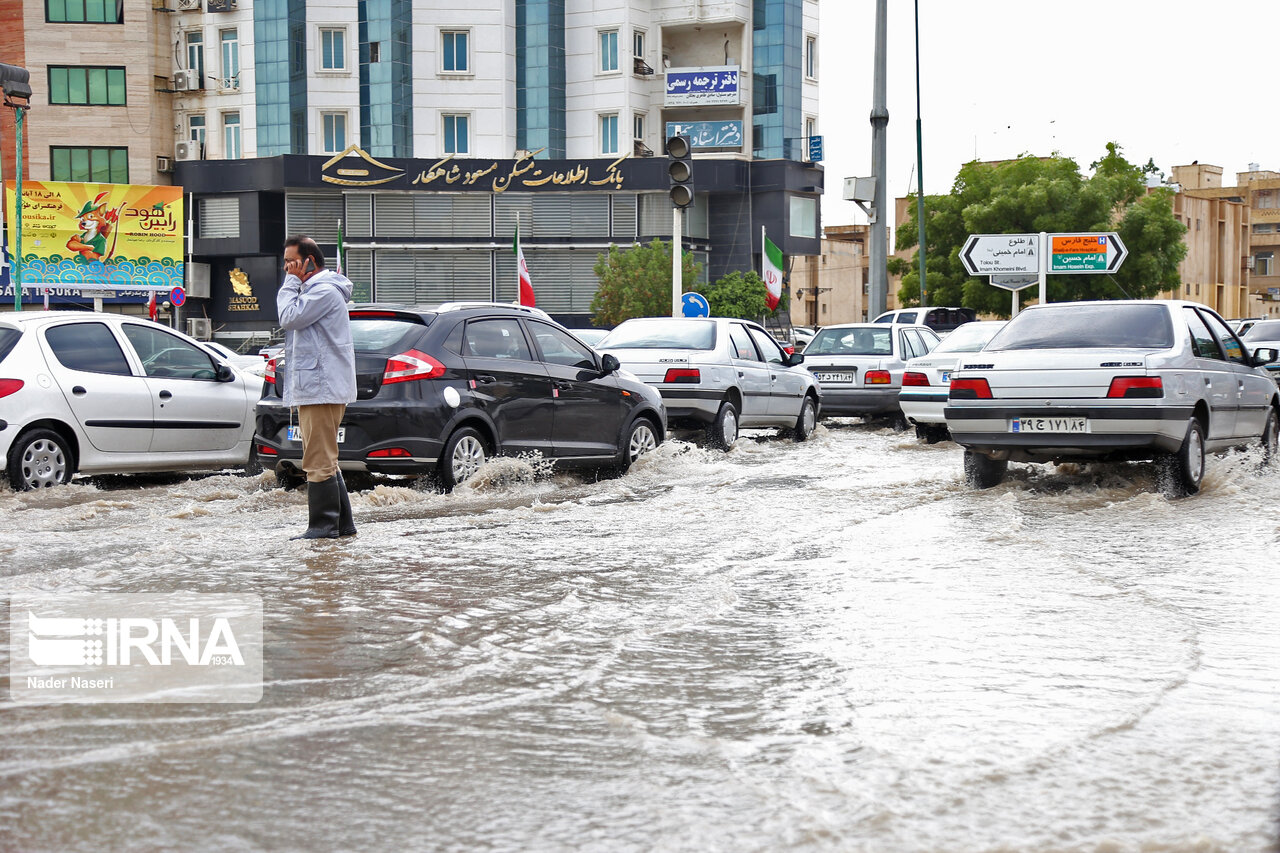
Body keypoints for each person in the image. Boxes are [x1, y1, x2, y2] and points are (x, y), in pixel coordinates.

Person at [278, 235, 358, 539]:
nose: (286, 268)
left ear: (309, 260)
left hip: (320, 388)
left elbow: (289, 317)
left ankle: (322, 527)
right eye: (285, 262)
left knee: (317, 460)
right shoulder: (314, 290)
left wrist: (289, 284)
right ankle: (342, 526)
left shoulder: (323, 291)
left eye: (291, 261)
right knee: (326, 458)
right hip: (317, 386)